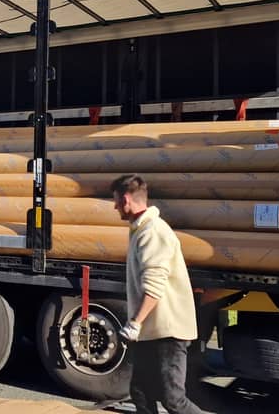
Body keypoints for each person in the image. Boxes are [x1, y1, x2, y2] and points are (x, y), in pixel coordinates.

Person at [111, 174, 202, 414]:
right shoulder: (140, 229)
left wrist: (134, 323)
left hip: (167, 331)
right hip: (150, 332)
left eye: (116, 201)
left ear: (126, 199)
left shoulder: (153, 232)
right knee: (140, 392)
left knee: (173, 399)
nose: (115, 207)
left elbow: (154, 285)